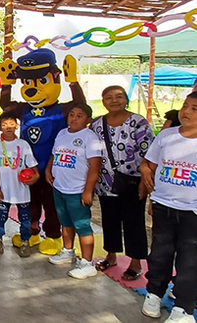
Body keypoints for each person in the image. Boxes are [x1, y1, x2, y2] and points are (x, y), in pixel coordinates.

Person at [0, 49, 85, 255]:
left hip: (52, 170)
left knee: (52, 204)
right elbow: (6, 107)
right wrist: (6, 84)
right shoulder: (25, 109)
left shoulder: (62, 110)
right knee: (30, 202)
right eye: (27, 83)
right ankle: (32, 231)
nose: (31, 90)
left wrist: (73, 82)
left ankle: (54, 236)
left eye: (40, 82)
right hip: (28, 169)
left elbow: (80, 106)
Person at [140, 92, 197, 323]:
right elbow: (149, 163)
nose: (186, 112)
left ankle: (183, 307)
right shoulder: (166, 136)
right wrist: (145, 171)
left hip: (192, 212)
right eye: (185, 106)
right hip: (163, 206)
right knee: (160, 253)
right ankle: (154, 293)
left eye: (195, 109)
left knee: (189, 259)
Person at [89, 86, 153, 281]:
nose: (114, 100)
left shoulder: (138, 122)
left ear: (126, 99)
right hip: (104, 182)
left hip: (132, 182)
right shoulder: (97, 125)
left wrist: (145, 181)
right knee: (110, 220)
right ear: (103, 101)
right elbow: (93, 152)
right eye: (109, 97)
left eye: (119, 96)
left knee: (133, 222)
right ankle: (111, 256)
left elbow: (149, 152)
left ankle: (135, 262)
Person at [46, 103, 102, 280]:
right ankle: (67, 251)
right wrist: (48, 170)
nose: (74, 118)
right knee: (66, 222)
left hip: (77, 190)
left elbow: (94, 167)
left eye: (80, 115)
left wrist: (87, 191)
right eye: (72, 114)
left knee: (82, 225)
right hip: (60, 187)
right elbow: (54, 155)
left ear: (88, 120)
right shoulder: (62, 133)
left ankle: (87, 262)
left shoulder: (90, 137)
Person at [0, 112, 39, 257]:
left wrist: (36, 175)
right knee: (1, 216)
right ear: (0, 127)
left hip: (22, 191)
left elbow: (32, 165)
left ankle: (25, 242)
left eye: (11, 124)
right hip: (4, 190)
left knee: (25, 219)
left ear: (16, 125)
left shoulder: (23, 144)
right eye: (4, 125)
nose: (8, 127)